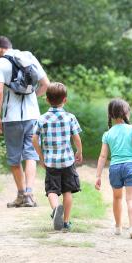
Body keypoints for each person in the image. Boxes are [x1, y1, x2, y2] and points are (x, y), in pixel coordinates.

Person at [0, 36, 50, 208]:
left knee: (14, 158)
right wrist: (32, 96)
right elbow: (46, 84)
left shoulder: (0, 63)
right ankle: (30, 194)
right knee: (31, 154)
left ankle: (21, 195)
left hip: (11, 118)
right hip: (33, 116)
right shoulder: (29, 57)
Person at [95, 99, 132, 239]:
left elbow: (103, 156)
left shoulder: (108, 134)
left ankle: (118, 226)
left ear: (111, 115)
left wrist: (98, 175)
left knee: (117, 198)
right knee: (131, 199)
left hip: (115, 167)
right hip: (130, 166)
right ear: (126, 113)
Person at [32, 82, 83, 232]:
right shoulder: (69, 117)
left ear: (47, 100)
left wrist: (41, 157)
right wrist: (79, 152)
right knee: (67, 191)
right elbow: (76, 137)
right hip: (67, 161)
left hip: (51, 162)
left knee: (52, 190)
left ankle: (56, 210)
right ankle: (65, 222)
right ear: (65, 100)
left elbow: (34, 139)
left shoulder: (42, 119)